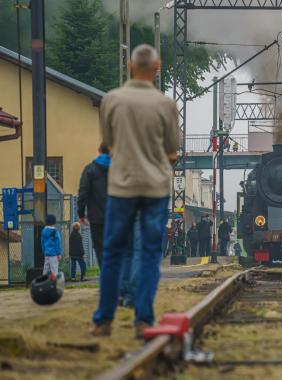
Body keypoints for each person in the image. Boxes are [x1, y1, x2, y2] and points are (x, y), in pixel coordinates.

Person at [92, 44, 180, 338]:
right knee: (149, 254)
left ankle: (103, 320)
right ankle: (143, 319)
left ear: (130, 66)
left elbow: (108, 142)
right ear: (157, 69)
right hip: (155, 187)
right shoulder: (166, 105)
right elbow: (172, 151)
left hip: (122, 186)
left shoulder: (111, 99)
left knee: (113, 252)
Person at [77, 144, 110, 268]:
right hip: (116, 216)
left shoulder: (90, 170)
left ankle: (106, 278)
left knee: (100, 249)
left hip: (97, 218)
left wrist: (81, 213)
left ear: (99, 150)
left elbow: (83, 192)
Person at [41, 214, 62, 279]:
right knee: (54, 270)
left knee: (46, 270)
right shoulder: (55, 231)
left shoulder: (43, 231)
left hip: (47, 253)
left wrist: (44, 251)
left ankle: (43, 283)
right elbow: (58, 243)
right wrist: (59, 253)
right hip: (54, 254)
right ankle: (55, 284)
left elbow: (42, 242)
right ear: (54, 222)